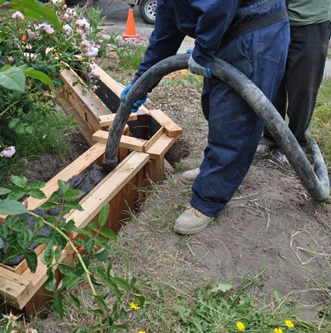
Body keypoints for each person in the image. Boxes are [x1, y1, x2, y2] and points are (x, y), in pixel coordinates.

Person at [121, 0, 290, 235]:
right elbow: (166, 31)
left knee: (235, 122)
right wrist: (141, 83)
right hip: (225, 32)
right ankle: (212, 169)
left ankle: (207, 202)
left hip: (253, 31)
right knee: (214, 108)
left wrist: (203, 51)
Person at [256, 0, 331, 156]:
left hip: (310, 20)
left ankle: (296, 143)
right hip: (273, 17)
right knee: (272, 83)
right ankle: (271, 137)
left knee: (304, 87)